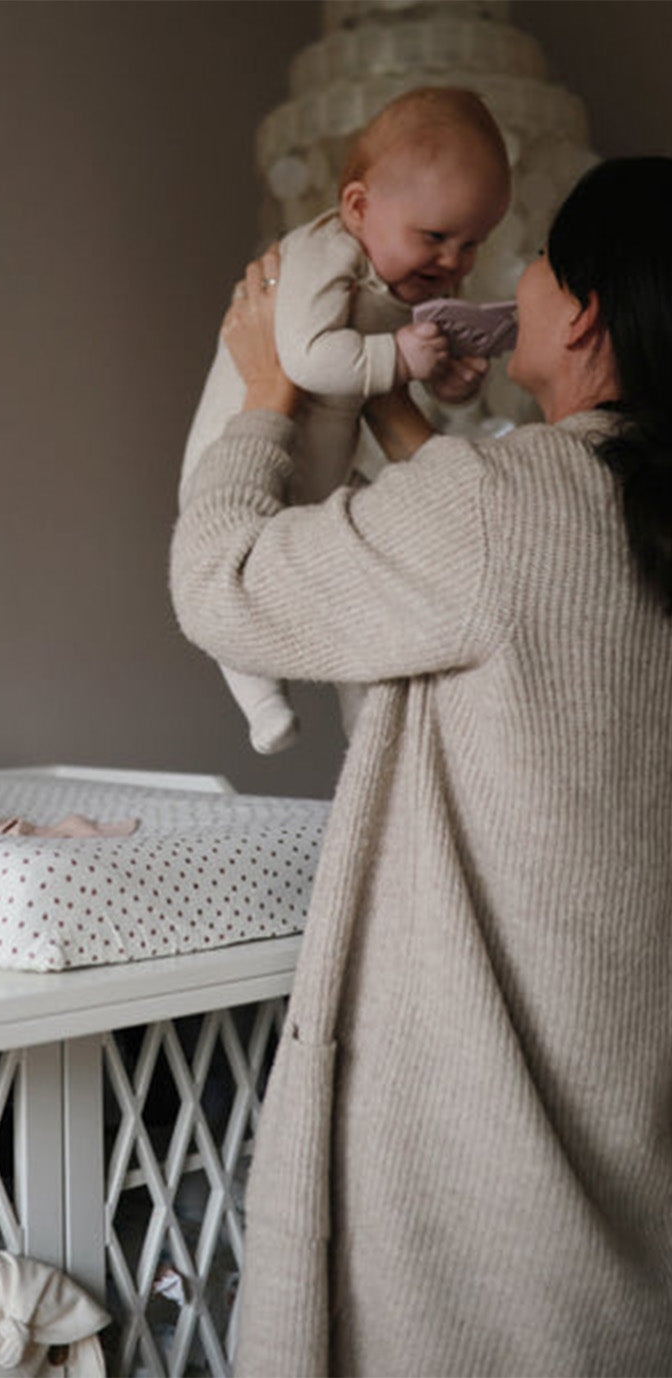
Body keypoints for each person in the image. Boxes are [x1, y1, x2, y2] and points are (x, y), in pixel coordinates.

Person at [171, 156, 672, 1376]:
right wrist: (400, 412)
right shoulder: (599, 503)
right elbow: (483, 528)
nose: (512, 280)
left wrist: (264, 388)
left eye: (540, 257)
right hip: (632, 1161)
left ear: (588, 309)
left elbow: (222, 582)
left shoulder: (515, 507)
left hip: (482, 1184)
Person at [180, 86, 510, 752]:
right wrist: (398, 357)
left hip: (322, 471)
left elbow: (395, 387)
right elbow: (306, 361)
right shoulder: (319, 255)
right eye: (436, 236)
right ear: (358, 207)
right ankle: (260, 698)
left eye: (473, 243)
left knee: (350, 601)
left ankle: (367, 723)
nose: (453, 262)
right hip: (242, 461)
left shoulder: (405, 276)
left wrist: (444, 378)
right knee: (232, 601)